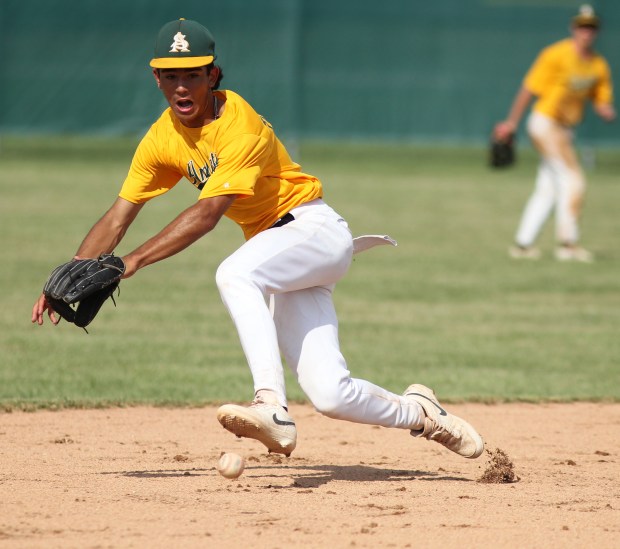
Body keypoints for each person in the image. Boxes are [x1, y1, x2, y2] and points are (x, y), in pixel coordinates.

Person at [32, 18, 484, 460]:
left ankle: (270, 406)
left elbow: (207, 215)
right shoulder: (162, 138)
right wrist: (69, 274)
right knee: (331, 395)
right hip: (282, 255)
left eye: (193, 74)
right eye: (171, 76)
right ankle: (421, 413)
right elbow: (119, 215)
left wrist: (128, 264)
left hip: (314, 230)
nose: (182, 87)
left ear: (213, 74)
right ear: (156, 78)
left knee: (235, 272)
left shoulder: (238, 126)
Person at [495, 4, 615, 263]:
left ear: (596, 32)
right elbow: (529, 89)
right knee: (574, 180)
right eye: (582, 26)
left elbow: (601, 98)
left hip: (564, 129)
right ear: (573, 29)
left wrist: (605, 110)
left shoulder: (598, 65)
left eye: (591, 27)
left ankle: (523, 245)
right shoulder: (555, 54)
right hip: (545, 123)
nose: (587, 31)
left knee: (548, 188)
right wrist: (511, 122)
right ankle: (567, 245)